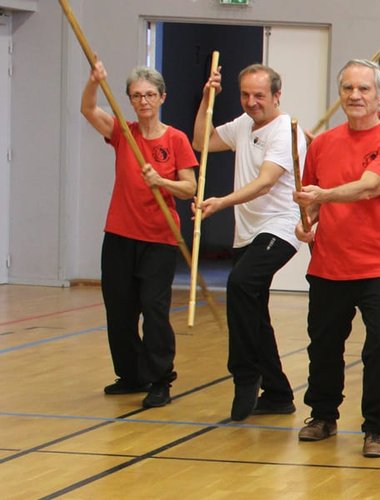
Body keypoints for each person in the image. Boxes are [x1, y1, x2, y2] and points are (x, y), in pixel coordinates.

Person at [293, 59, 380, 459]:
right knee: (324, 344)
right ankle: (322, 414)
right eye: (348, 88)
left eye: (364, 89)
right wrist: (307, 221)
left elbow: (368, 187)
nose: (355, 95)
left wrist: (322, 196)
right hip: (329, 263)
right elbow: (312, 202)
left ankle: (378, 428)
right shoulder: (322, 144)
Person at [81, 62, 199, 409]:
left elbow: (189, 188)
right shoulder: (123, 133)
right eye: (136, 96)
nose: (143, 101)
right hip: (119, 235)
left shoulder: (175, 139)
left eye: (149, 94)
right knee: (120, 309)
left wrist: (161, 181)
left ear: (162, 97)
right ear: (130, 100)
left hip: (159, 239)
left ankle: (160, 379)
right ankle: (131, 375)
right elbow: (88, 109)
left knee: (154, 309)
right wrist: (94, 81)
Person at [192, 63, 305, 421]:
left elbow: (265, 182)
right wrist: (207, 98)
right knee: (253, 308)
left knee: (240, 284)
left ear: (276, 95)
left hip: (280, 227)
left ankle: (245, 375)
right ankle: (278, 393)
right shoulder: (243, 124)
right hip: (247, 231)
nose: (251, 102)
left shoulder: (284, 131)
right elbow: (202, 142)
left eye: (259, 95)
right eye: (245, 95)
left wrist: (221, 202)